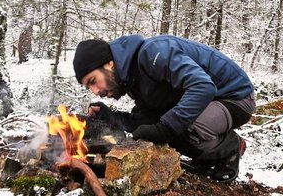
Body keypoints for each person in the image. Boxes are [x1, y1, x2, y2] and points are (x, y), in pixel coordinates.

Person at [72, 34, 255, 183]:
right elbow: (150, 120)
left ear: (109, 64)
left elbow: (202, 87)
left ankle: (229, 147)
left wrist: (165, 128)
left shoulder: (154, 52)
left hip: (234, 97)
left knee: (178, 128)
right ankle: (209, 154)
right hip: (209, 101)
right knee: (166, 126)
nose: (95, 91)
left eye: (93, 81)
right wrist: (112, 117)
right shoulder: (133, 79)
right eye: (89, 87)